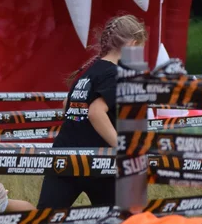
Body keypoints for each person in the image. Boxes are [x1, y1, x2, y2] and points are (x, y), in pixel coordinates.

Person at [37, 15, 146, 210]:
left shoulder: (89, 70)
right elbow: (96, 112)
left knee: (44, 219)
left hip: (65, 154)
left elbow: (66, 104)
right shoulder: (115, 74)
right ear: (133, 44)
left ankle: (2, 204)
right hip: (97, 159)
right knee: (121, 217)